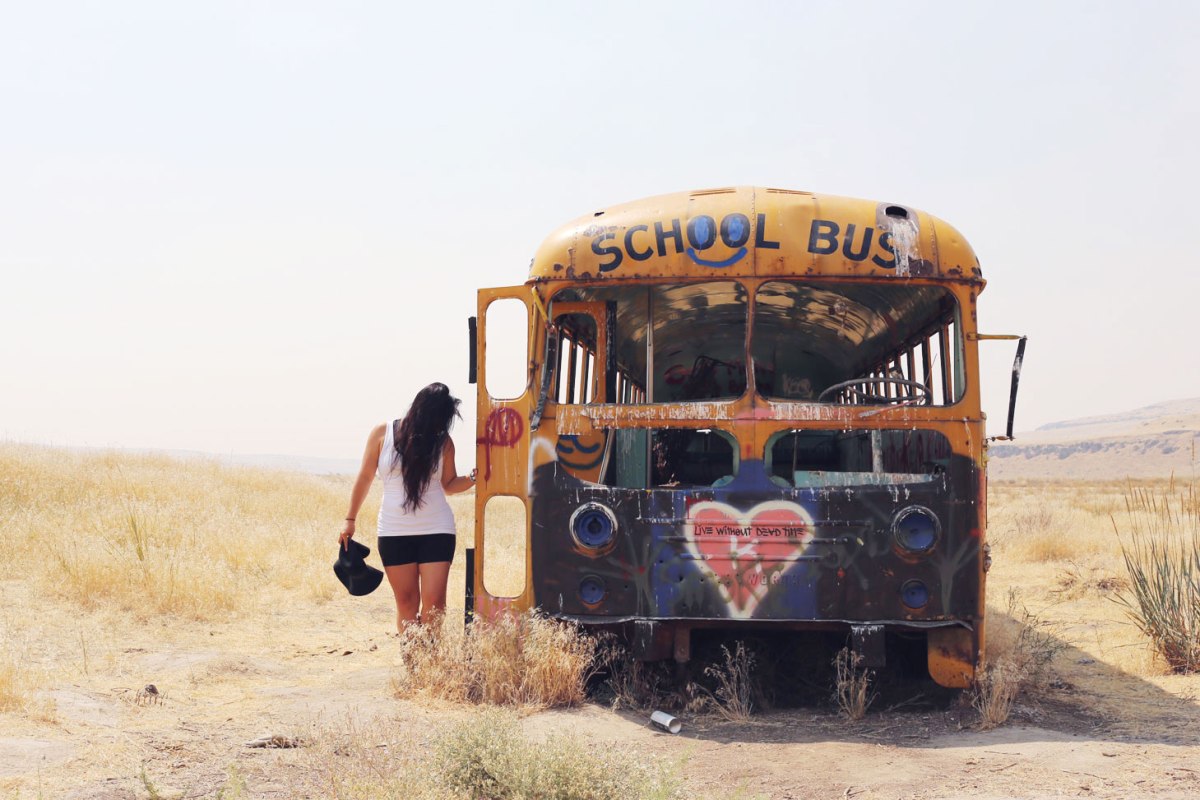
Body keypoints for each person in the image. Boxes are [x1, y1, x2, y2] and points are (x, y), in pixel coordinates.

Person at [339, 382, 476, 633]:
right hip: (394, 531)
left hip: (437, 529)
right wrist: (350, 519)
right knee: (407, 603)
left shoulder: (443, 442)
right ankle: (415, 668)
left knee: (436, 605)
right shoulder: (383, 433)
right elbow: (365, 477)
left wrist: (473, 478)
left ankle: (431, 664)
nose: (441, 425)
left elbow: (448, 484)